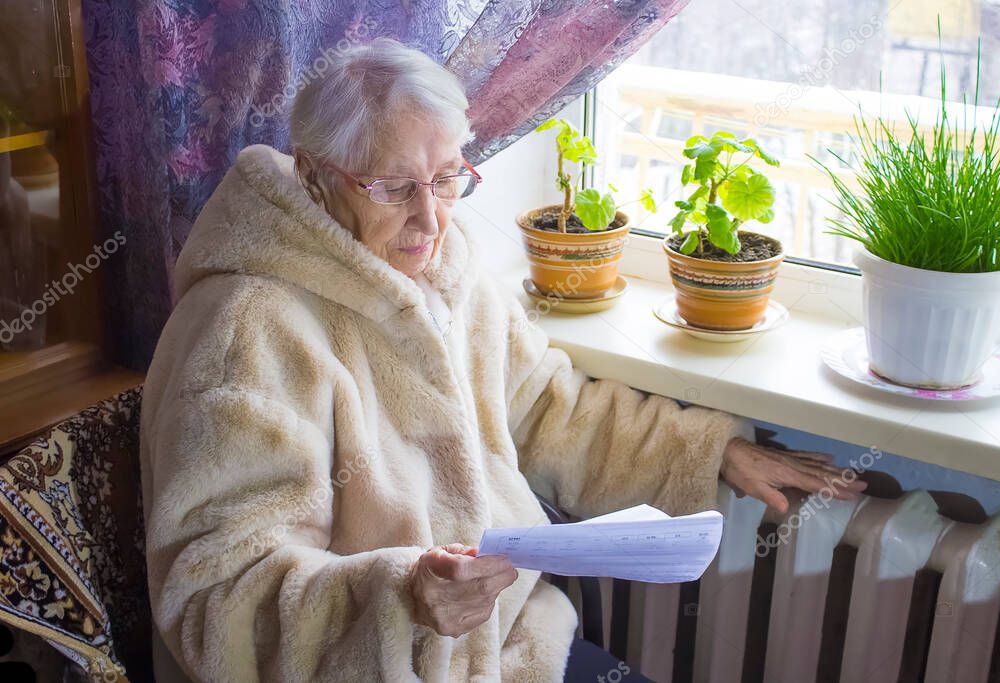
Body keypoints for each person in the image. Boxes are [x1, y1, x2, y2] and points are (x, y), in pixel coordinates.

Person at [140, 37, 864, 682]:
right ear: (314, 176)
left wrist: (711, 451)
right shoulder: (247, 328)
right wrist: (402, 598)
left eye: (449, 177)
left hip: (518, 646)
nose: (430, 218)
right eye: (394, 188)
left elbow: (547, 406)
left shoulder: (444, 272)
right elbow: (219, 603)